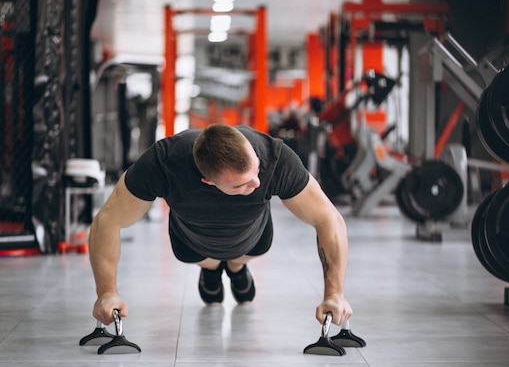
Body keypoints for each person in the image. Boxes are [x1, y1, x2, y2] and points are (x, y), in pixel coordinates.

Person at [88, 123, 353, 327]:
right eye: (241, 184)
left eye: (255, 171)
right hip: (191, 242)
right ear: (209, 182)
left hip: (252, 238)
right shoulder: (163, 163)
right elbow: (108, 221)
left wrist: (334, 294)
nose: (257, 184)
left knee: (241, 256)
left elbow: (328, 218)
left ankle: (236, 269)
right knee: (205, 260)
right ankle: (214, 268)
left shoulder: (275, 158)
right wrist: (106, 293)